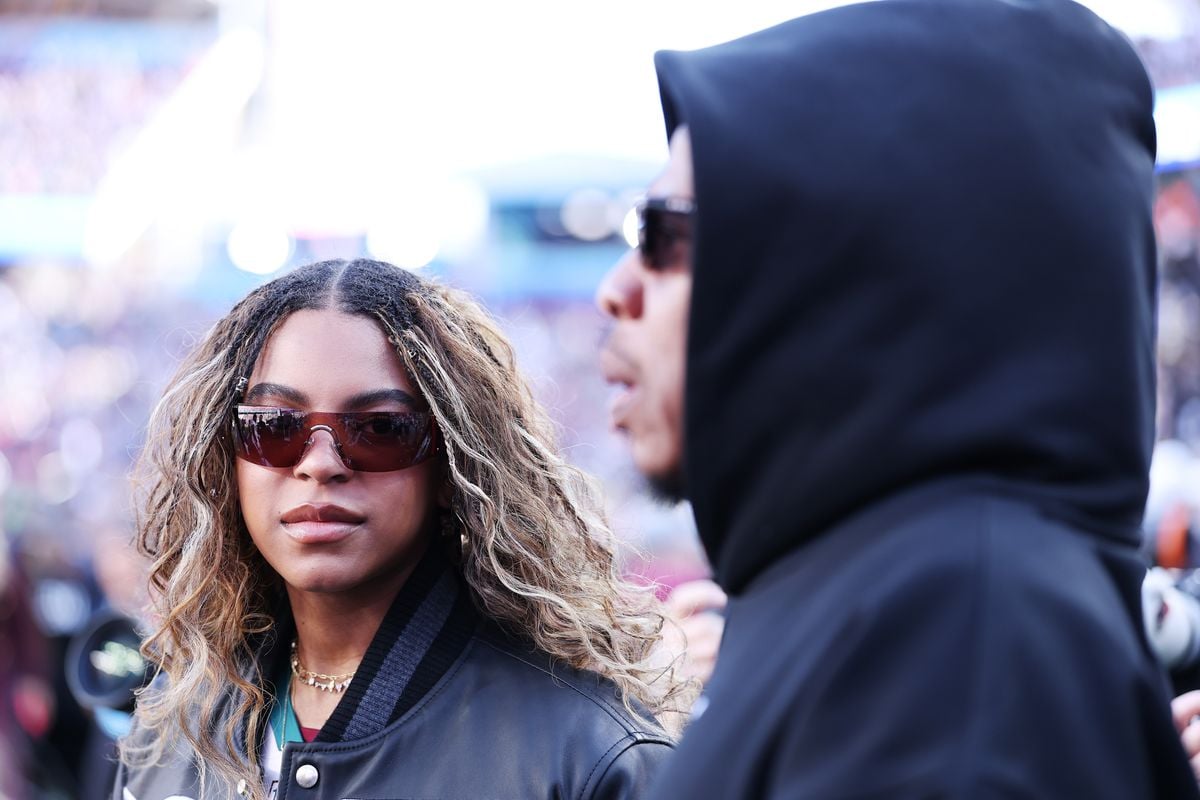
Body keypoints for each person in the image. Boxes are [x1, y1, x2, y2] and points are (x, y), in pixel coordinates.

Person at [596, 0, 1200, 796]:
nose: (617, 290)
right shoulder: (869, 594)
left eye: (660, 232)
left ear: (838, 258)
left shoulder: (955, 638)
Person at [115, 258, 686, 800]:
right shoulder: (169, 729)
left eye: (380, 428)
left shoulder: (588, 755)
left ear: (452, 465)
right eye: (276, 426)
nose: (319, 463)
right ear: (226, 457)